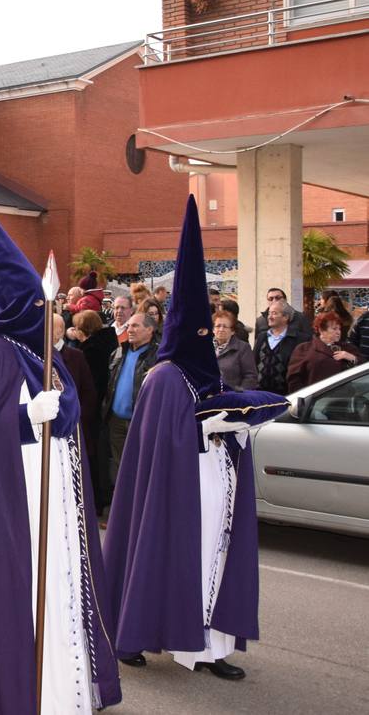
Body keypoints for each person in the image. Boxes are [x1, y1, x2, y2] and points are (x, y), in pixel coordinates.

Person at [0, 177, 121, 714]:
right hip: (18, 499)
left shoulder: (41, 351)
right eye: (40, 306)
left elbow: (68, 410)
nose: (49, 315)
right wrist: (25, 418)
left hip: (56, 497)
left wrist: (50, 413)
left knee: (61, 585)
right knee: (27, 590)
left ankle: (63, 692)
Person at [105, 197, 289, 681]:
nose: (206, 337)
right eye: (199, 331)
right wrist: (203, 429)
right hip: (178, 490)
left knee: (216, 559)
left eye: (210, 331)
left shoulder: (204, 375)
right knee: (165, 555)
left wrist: (233, 426)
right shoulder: (165, 377)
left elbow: (233, 404)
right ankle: (136, 634)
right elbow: (160, 445)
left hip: (216, 484)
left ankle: (210, 647)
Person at [103, 311, 159, 490]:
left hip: (142, 422)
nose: (130, 329)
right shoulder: (119, 351)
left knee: (142, 467)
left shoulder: (158, 356)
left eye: (135, 325)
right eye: (128, 326)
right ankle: (122, 503)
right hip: (116, 421)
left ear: (150, 329)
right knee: (119, 468)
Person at [286, 311, 361, 392]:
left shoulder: (347, 348)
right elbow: (294, 379)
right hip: (316, 397)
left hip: (343, 397)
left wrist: (352, 358)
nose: (338, 332)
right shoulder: (304, 349)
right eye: (334, 329)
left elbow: (364, 368)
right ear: (321, 330)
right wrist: (303, 396)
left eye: (339, 329)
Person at [254, 301, 301, 395]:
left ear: (285, 317)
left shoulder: (296, 339)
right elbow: (254, 362)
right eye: (269, 313)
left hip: (285, 395)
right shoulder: (262, 337)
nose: (270, 317)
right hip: (260, 394)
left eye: (274, 313)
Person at [213, 310, 258, 391]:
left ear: (232, 331)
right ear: (213, 329)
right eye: (218, 326)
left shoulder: (243, 348)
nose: (221, 329)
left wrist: (238, 393)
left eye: (225, 327)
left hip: (233, 396)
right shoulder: (205, 347)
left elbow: (251, 377)